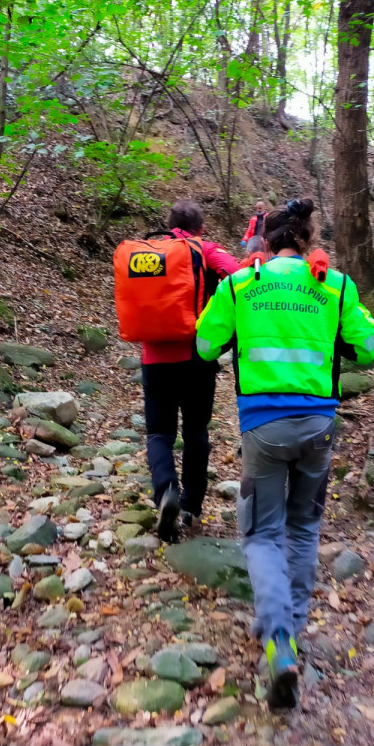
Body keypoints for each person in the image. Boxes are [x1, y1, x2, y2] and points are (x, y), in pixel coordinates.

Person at [195, 198, 374, 710]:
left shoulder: (241, 285)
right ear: (307, 240)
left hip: (262, 429)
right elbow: (367, 349)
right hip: (319, 426)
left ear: (264, 242)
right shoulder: (334, 285)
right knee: (303, 530)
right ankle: (291, 632)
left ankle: (279, 640)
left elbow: (206, 346)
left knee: (260, 534)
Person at [142, 199, 239, 543]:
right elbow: (240, 275)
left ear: (169, 223)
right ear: (200, 227)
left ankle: (165, 489)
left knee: (158, 435)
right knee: (196, 431)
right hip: (197, 356)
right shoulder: (206, 248)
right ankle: (191, 509)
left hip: (154, 357)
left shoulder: (149, 250)